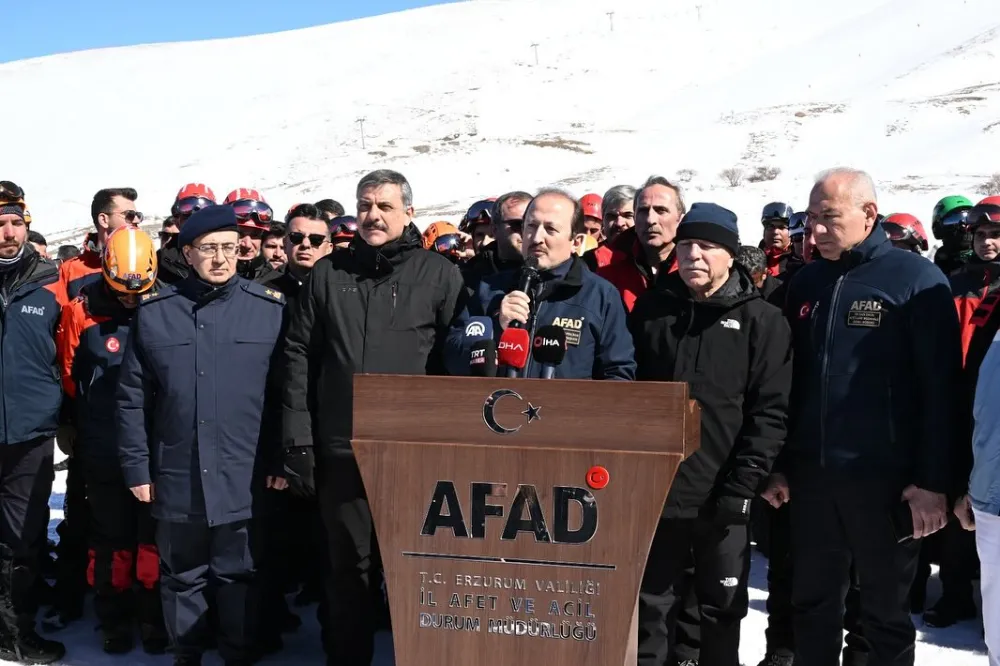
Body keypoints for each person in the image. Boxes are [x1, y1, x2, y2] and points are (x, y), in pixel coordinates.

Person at [763, 167, 961, 666]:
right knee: (811, 606)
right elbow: (789, 384)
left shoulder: (916, 281)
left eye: (829, 218)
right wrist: (781, 463)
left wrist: (933, 482)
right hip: (813, 480)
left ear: (868, 213)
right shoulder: (806, 283)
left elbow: (942, 391)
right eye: (811, 219)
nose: (816, 231)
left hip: (888, 485)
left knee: (883, 619)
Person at [281, 169, 464, 665]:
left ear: (408, 211)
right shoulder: (329, 273)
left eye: (384, 206)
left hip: (414, 455)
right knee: (347, 571)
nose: (373, 215)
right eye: (364, 205)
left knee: (416, 572)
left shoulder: (439, 274)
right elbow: (298, 355)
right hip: (342, 449)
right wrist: (298, 439)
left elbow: (455, 367)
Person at [116, 205, 287, 666]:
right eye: (208, 249)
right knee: (182, 577)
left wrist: (279, 459)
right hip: (178, 471)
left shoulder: (267, 311)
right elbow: (132, 399)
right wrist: (136, 466)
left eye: (228, 248)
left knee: (239, 576)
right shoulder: (155, 315)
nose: (220, 258)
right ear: (187, 253)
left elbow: (283, 397)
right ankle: (186, 655)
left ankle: (237, 655)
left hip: (244, 470)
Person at [630, 203, 792, 666]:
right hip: (657, 493)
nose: (694, 255)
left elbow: (771, 412)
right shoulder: (652, 311)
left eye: (707, 246)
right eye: (686, 245)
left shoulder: (762, 321)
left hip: (724, 496)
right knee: (652, 607)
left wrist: (743, 486)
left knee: (719, 610)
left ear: (730, 254)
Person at [56, 226, 167, 655]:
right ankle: (112, 618)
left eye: (137, 293)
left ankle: (152, 616)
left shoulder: (165, 303)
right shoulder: (81, 312)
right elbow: (69, 376)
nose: (130, 301)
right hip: (103, 446)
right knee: (110, 540)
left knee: (153, 539)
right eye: (122, 292)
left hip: (157, 446)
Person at [447, 188, 635, 380]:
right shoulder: (488, 289)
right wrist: (496, 326)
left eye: (550, 229)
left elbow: (618, 374)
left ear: (576, 242)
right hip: (498, 406)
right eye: (531, 226)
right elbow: (453, 361)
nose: (537, 238)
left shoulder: (601, 296)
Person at [0, 181, 67, 664]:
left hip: (30, 432)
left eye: (15, 222)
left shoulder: (51, 282)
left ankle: (16, 632)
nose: (6, 232)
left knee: (22, 538)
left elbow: (67, 356)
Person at [954, 198, 1000, 666]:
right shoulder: (959, 284)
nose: (989, 243)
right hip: (967, 411)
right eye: (983, 234)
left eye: (998, 235)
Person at [596, 176, 683, 312]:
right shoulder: (606, 277)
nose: (650, 219)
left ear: (680, 219)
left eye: (661, 210)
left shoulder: (696, 272)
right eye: (643, 211)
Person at [460, 191, 530, 290]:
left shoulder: (551, 267)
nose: (526, 232)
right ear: (496, 229)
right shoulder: (468, 276)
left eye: (531, 225)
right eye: (517, 224)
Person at [158, 183, 216, 285]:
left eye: (204, 216)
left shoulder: (228, 253)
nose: (197, 223)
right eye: (187, 217)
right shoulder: (161, 261)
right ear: (177, 221)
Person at [222, 188, 280, 282]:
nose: (247, 244)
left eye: (255, 235)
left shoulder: (276, 281)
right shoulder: (203, 275)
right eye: (240, 235)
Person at [932, 195, 975, 275]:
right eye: (954, 220)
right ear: (939, 228)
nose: (964, 226)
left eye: (968, 219)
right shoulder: (941, 260)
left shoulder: (985, 254)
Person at [760, 202, 795, 277]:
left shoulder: (799, 260)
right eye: (770, 227)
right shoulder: (753, 260)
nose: (775, 232)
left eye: (782, 227)